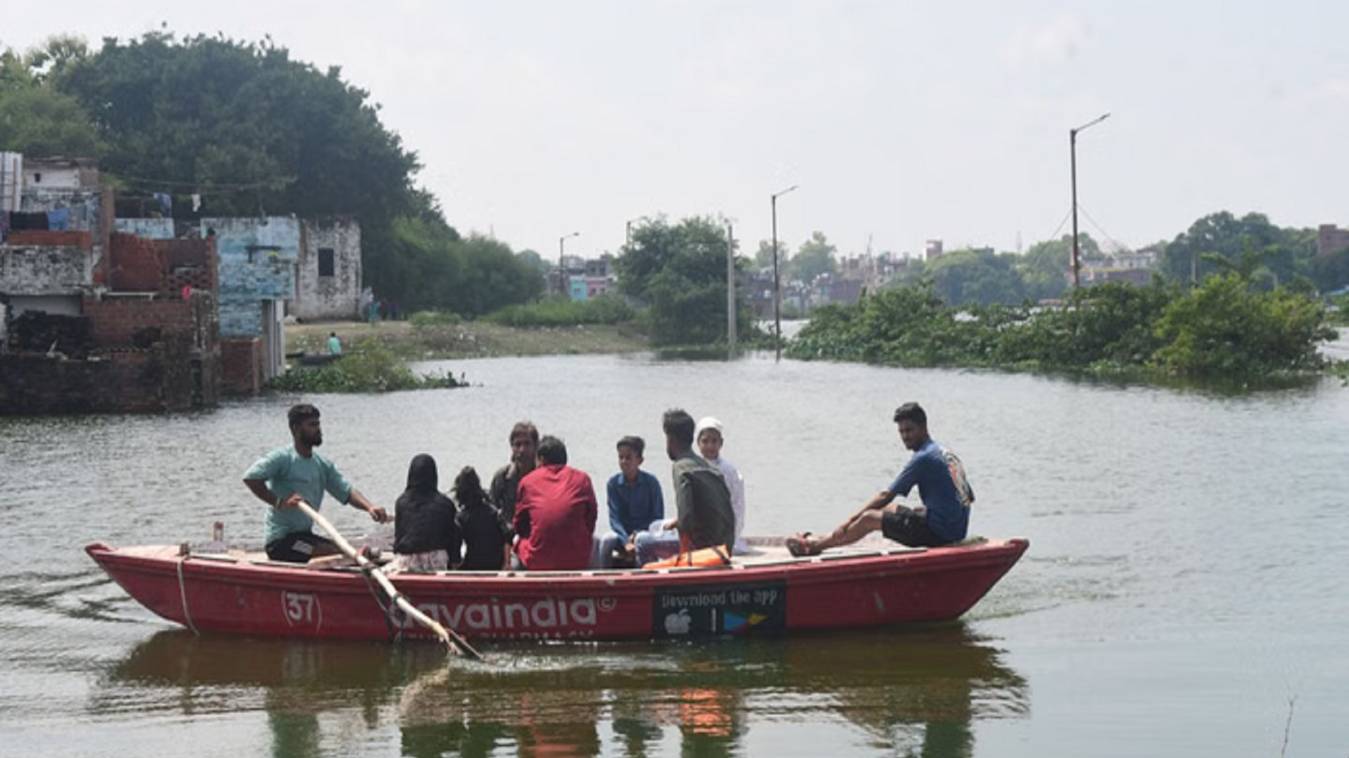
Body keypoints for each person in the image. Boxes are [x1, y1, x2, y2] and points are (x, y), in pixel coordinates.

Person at [787, 402, 973, 556]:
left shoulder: (923, 458)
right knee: (890, 510)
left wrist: (849, 520)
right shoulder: (945, 452)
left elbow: (886, 494)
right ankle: (826, 538)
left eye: (910, 430)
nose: (905, 437)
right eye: (901, 432)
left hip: (941, 535)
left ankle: (813, 547)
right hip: (955, 528)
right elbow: (968, 496)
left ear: (924, 427)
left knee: (869, 518)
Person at [243, 404, 389, 563]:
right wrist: (279, 502)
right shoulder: (282, 458)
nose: (318, 429)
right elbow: (251, 478)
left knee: (340, 548)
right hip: (281, 543)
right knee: (336, 552)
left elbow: (346, 491)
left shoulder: (321, 464)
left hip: (305, 537)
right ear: (295, 429)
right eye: (312, 425)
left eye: (318, 424)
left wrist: (369, 507)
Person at [633, 409, 735, 566]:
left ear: (671, 439)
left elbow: (686, 520)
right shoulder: (707, 467)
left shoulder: (681, 468)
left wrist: (686, 552)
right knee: (659, 528)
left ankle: (651, 585)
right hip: (723, 545)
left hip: (703, 549)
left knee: (642, 541)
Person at [512, 436, 598, 571]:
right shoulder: (582, 479)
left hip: (538, 561)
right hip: (578, 560)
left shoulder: (527, 481)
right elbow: (591, 518)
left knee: (517, 540)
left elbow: (519, 525)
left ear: (541, 459)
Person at [595, 436, 665, 568]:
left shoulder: (651, 483)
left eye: (628, 457)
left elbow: (657, 518)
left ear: (640, 460)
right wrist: (625, 540)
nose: (624, 461)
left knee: (642, 539)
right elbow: (614, 519)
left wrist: (637, 534)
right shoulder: (613, 484)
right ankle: (604, 580)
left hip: (645, 533)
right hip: (623, 535)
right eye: (621, 457)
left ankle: (643, 579)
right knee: (606, 540)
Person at [391, 454, 460, 572]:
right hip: (436, 562)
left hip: (406, 561)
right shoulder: (445, 504)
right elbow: (453, 536)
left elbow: (399, 536)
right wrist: (455, 561)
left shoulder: (401, 502)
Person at [695, 417, 748, 554]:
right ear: (698, 443)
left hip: (725, 533)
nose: (710, 446)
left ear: (721, 443)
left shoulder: (730, 472)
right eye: (705, 441)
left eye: (714, 441)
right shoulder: (693, 469)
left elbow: (738, 507)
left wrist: (730, 536)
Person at [454, 466, 513, 571]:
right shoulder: (493, 513)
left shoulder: (462, 518)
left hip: (473, 564)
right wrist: (506, 563)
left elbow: (455, 543)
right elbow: (507, 536)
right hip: (496, 564)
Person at [489, 421, 539, 523]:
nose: (522, 449)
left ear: (536, 446)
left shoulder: (543, 476)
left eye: (527, 444)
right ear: (512, 447)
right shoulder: (502, 477)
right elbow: (492, 509)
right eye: (517, 444)